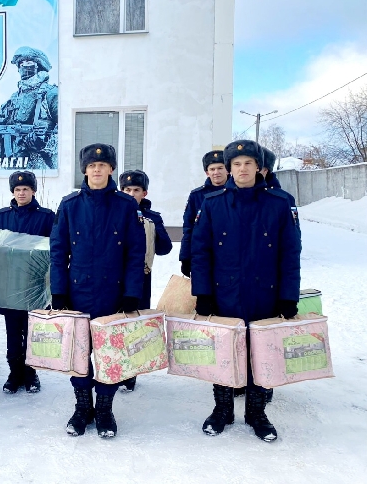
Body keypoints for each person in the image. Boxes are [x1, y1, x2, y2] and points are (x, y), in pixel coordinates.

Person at [191, 140, 301, 442]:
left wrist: (288, 296)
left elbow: (290, 254)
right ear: (229, 168)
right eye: (236, 164)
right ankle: (222, 410)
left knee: (260, 354)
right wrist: (203, 294)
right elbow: (201, 253)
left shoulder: (279, 202)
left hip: (265, 293)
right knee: (223, 353)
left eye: (248, 163)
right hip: (224, 294)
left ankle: (256, 413)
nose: (242, 169)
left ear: (259, 167)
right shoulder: (212, 203)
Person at [50, 144, 145, 438]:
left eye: (103, 165)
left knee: (110, 355)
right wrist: (59, 291)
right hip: (77, 293)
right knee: (80, 354)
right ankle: (82, 408)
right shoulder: (70, 205)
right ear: (85, 169)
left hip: (113, 294)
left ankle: (104, 408)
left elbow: (135, 253)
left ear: (111, 169)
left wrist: (132, 293)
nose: (97, 169)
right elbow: (58, 251)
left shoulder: (126, 205)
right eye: (92, 165)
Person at [0, 171, 55, 394]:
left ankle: (31, 373)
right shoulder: (2, 216)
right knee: (12, 332)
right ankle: (14, 373)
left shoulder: (47, 217)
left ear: (33, 191)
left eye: (25, 189)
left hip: (35, 285)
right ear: (12, 192)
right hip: (10, 285)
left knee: (32, 333)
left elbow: (53, 251)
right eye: (17, 190)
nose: (21, 193)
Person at [117, 169, 173, 392]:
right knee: (115, 322)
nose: (131, 194)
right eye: (127, 190)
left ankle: (131, 371)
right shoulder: (114, 212)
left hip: (141, 277)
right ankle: (115, 365)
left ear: (144, 192)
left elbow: (165, 248)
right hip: (114, 277)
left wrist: (154, 226)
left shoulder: (152, 217)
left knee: (135, 324)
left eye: (136, 190)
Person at [0, 46, 58, 169]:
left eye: (28, 62)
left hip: (40, 170)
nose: (23, 66)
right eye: (21, 63)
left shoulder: (51, 94)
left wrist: (46, 141)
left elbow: (66, 133)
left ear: (39, 65)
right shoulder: (11, 101)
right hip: (8, 172)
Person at [179, 150, 228, 278]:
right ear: (207, 172)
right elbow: (188, 227)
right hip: (203, 255)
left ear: (227, 169)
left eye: (220, 168)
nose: (216, 172)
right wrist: (185, 257)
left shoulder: (236, 193)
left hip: (229, 256)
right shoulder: (197, 196)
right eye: (212, 169)